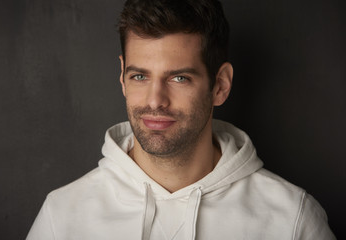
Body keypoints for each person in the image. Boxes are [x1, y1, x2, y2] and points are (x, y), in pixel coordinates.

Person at [27, 0, 335, 239]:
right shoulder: (63, 216)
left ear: (220, 85)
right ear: (122, 76)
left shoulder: (292, 220)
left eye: (178, 78)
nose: (154, 100)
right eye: (139, 76)